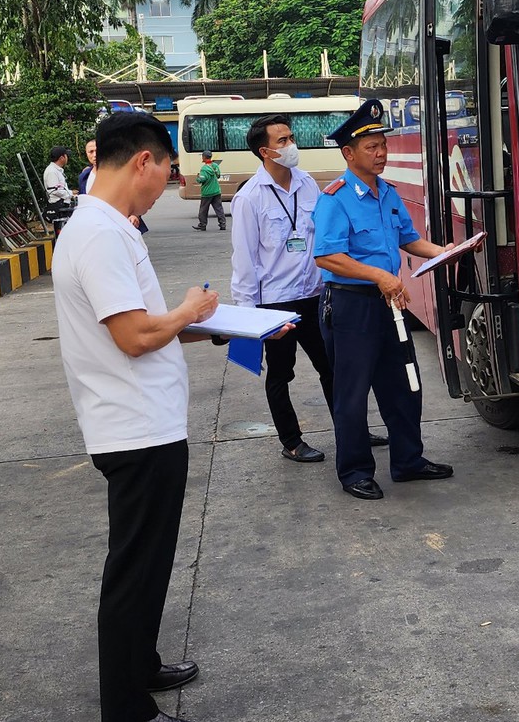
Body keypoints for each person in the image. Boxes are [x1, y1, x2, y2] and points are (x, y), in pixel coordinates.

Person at [51, 112, 220, 722]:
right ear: (142, 162)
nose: (167, 184)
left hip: (146, 421)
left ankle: (141, 663)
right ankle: (125, 713)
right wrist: (189, 310)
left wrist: (219, 323)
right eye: (167, 170)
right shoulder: (98, 235)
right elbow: (135, 334)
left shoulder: (110, 229)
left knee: (149, 565)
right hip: (134, 429)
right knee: (135, 570)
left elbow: (148, 323)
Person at [312, 98, 455, 501]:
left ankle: (409, 461)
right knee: (353, 395)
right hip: (351, 306)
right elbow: (326, 255)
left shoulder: (387, 193)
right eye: (371, 147)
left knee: (404, 385)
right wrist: (378, 275)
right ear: (349, 153)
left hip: (390, 304)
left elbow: (408, 239)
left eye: (383, 146)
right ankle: (355, 471)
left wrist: (443, 251)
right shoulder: (336, 198)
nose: (381, 154)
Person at [230, 114, 388, 464]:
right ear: (265, 152)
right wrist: (247, 315)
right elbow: (244, 259)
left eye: (291, 137)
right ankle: (291, 440)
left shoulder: (308, 184)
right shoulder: (250, 198)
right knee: (281, 374)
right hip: (276, 302)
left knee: (333, 368)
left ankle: (350, 431)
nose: (291, 145)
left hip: (316, 296)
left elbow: (322, 239)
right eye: (283, 140)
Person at [193, 150, 228, 232]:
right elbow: (218, 175)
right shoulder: (215, 166)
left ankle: (202, 225)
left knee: (203, 210)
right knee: (219, 208)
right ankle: (222, 224)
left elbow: (202, 179)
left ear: (204, 157)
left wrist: (198, 177)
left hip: (207, 193)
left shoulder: (204, 169)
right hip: (216, 191)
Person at [42, 145, 76, 222]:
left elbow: (59, 188)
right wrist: (71, 194)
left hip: (63, 206)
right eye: (66, 155)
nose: (67, 157)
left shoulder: (56, 170)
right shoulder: (51, 172)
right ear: (61, 158)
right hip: (59, 207)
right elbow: (55, 191)